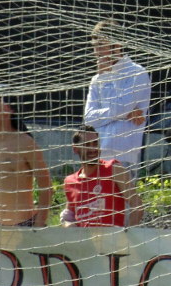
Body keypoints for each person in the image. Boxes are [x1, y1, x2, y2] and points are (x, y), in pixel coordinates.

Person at [0, 88, 52, 227]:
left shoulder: (25, 142)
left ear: (11, 109)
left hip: (26, 225)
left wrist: (39, 223)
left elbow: (45, 186)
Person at [83, 19, 152, 171]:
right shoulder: (97, 79)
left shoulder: (137, 73)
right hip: (97, 154)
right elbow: (89, 118)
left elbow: (121, 107)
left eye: (101, 45)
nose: (96, 52)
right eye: (94, 46)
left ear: (117, 45)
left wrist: (122, 111)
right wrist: (125, 114)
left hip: (124, 155)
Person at [61, 126, 142, 228]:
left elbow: (137, 205)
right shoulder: (70, 181)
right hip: (84, 238)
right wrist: (67, 224)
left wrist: (126, 235)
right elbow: (68, 216)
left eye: (95, 143)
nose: (92, 149)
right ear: (75, 148)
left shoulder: (113, 169)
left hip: (112, 237)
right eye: (87, 144)